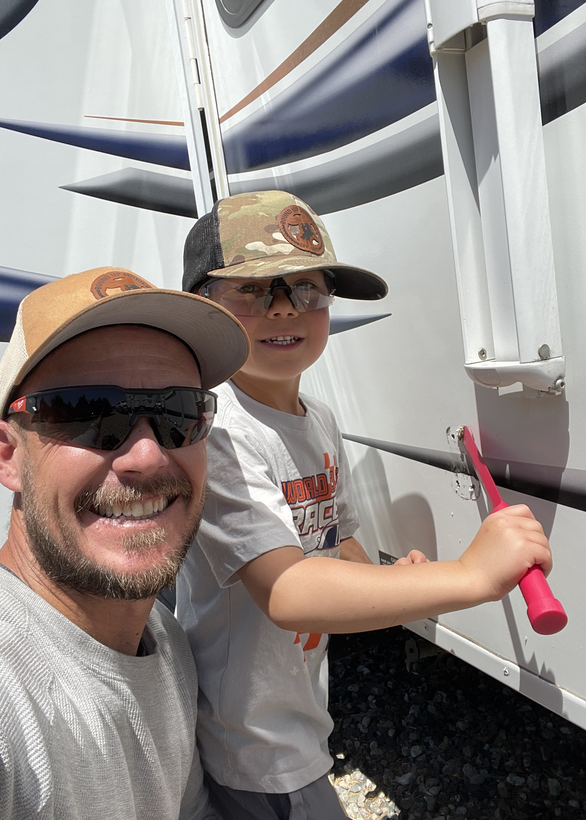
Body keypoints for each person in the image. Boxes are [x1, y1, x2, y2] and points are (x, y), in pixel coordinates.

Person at [177, 190, 553, 820]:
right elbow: (289, 591)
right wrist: (463, 577)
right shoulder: (220, 433)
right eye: (252, 290)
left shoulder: (317, 418)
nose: (282, 309)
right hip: (249, 737)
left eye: (307, 290)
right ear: (199, 308)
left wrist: (379, 582)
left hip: (295, 712)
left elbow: (333, 540)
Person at [0, 266, 249, 820]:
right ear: (8, 454)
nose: (148, 456)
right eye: (88, 411)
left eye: (179, 412)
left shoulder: (165, 641)